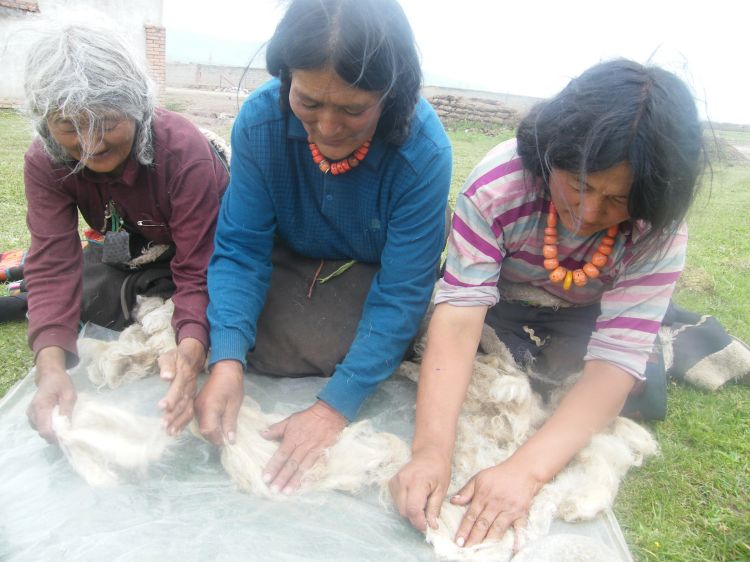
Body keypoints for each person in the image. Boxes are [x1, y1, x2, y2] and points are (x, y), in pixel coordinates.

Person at [389, 59, 705, 547]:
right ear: (551, 152)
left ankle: (653, 325)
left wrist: (525, 471)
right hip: (503, 301)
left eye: (618, 200)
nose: (588, 213)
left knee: (635, 390)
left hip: (589, 312)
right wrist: (432, 451)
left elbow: (614, 360)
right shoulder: (499, 185)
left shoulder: (657, 229)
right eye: (579, 185)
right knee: (449, 355)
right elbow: (459, 321)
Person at [195, 0, 452, 494]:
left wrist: (332, 409)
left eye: (354, 109)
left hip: (370, 271)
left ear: (391, 94)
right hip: (290, 257)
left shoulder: (425, 153)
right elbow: (242, 248)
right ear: (285, 77)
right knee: (238, 330)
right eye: (309, 102)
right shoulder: (259, 123)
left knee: (358, 338)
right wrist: (225, 360)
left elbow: (401, 291)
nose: (329, 127)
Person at [23, 26, 229, 443]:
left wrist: (190, 353)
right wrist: (50, 368)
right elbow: (53, 261)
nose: (90, 144)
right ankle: (157, 303)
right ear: (46, 125)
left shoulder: (183, 152)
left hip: (206, 254)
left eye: (106, 121)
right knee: (77, 288)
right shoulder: (46, 160)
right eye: (68, 126)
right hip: (137, 258)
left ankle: (169, 311)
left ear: (138, 108)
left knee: (238, 310)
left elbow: (200, 266)